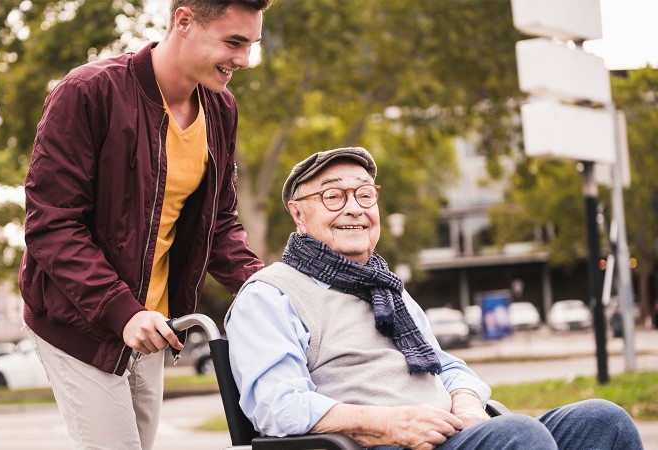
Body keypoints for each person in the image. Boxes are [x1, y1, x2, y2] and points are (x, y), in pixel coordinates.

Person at [226, 147, 643, 450]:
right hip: (377, 445)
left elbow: (447, 366)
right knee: (520, 435)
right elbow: (276, 406)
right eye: (333, 196)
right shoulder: (270, 296)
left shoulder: (387, 288)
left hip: (449, 434)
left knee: (602, 421)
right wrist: (389, 424)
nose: (354, 208)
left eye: (365, 194)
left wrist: (466, 403)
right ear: (298, 214)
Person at [18, 1, 272, 448]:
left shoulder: (220, 110)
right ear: (184, 20)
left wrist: (274, 290)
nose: (244, 60)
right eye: (234, 42)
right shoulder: (87, 92)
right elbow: (52, 226)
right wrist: (123, 311)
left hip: (154, 326)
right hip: (82, 321)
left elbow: (220, 226)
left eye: (251, 45)